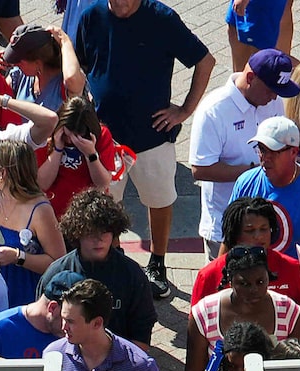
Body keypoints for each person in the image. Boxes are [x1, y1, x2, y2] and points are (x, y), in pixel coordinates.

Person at [73, 0, 212, 291]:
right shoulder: (91, 17)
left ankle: (157, 263)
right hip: (105, 140)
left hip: (152, 136)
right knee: (106, 206)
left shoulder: (162, 18)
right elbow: (83, 63)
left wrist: (185, 110)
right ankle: (115, 261)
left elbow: (205, 60)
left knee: (159, 201)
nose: (121, 3)